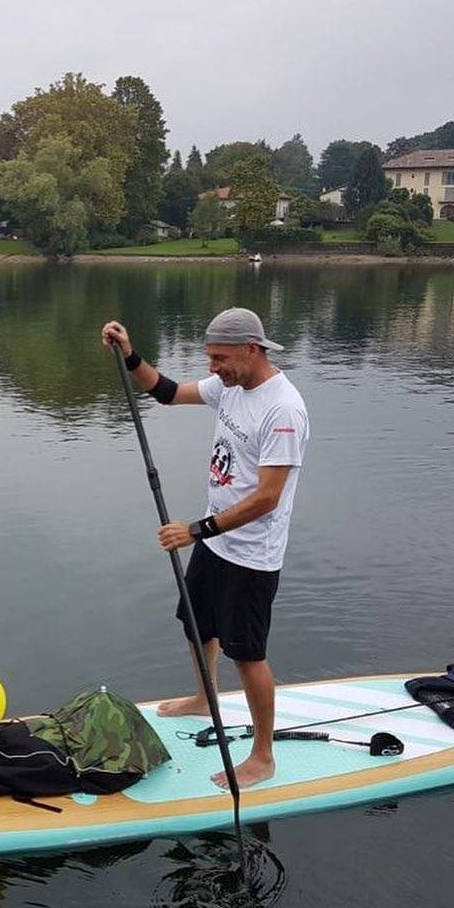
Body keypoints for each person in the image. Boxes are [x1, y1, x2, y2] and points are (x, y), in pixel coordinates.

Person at [101, 308, 308, 788]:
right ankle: (203, 698)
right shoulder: (231, 386)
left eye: (220, 357)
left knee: (248, 653)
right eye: (210, 357)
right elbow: (166, 393)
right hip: (216, 542)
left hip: (251, 554)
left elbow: (267, 497)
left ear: (251, 349)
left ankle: (262, 755)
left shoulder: (283, 409)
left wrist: (196, 530)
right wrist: (130, 354)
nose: (213, 367)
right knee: (197, 627)